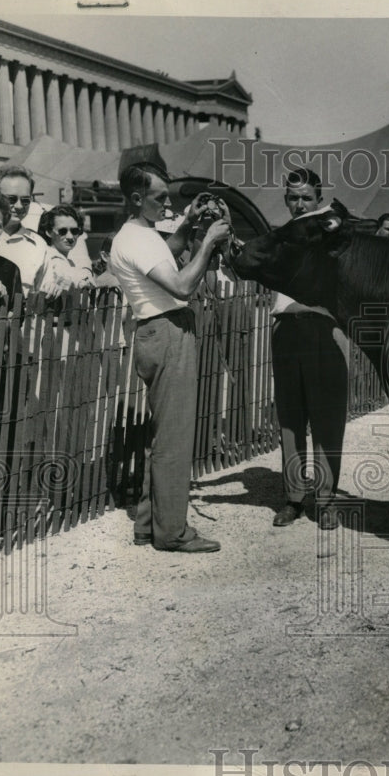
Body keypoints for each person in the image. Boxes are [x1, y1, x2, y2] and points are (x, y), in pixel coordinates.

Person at [109, 162, 232, 553]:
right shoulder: (138, 239)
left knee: (163, 435)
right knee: (175, 439)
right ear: (136, 198)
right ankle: (172, 533)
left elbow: (165, 258)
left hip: (153, 331)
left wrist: (187, 226)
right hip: (168, 330)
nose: (167, 203)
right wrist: (210, 239)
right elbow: (180, 285)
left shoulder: (137, 234)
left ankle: (148, 524)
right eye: (160, 197)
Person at [270, 168, 349, 531]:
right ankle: (293, 498)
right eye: (293, 197)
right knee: (290, 419)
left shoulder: (332, 236)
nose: (299, 204)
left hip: (324, 334)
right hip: (286, 334)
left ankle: (327, 499)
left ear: (319, 199)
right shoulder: (280, 237)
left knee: (327, 420)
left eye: (306, 198)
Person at [0, 165, 71, 299]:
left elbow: (49, 282)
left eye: (25, 200)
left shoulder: (38, 245)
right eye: (11, 199)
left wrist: (52, 286)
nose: (19, 206)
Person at [37, 204, 94, 288]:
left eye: (74, 231)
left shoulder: (68, 261)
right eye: (62, 231)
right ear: (49, 232)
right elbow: (76, 279)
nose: (70, 237)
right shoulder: (51, 259)